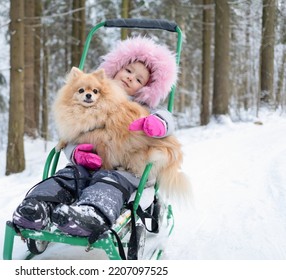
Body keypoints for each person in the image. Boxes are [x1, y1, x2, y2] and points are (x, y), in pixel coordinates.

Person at [12, 36, 178, 240]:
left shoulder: (144, 106)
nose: (129, 78)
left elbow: (167, 120)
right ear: (116, 67)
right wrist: (76, 153)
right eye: (128, 70)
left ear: (146, 88)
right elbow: (70, 137)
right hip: (88, 165)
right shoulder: (93, 91)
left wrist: (159, 123)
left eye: (138, 80)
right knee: (68, 177)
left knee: (109, 182)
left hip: (124, 169)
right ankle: (37, 206)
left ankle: (92, 214)